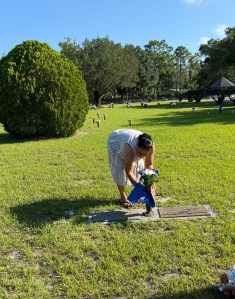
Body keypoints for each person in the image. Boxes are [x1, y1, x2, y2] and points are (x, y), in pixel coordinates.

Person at [107, 128, 155, 208]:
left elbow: (149, 164)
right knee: (120, 169)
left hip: (129, 141)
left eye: (145, 155)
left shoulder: (151, 145)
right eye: (140, 153)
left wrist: (151, 181)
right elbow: (128, 171)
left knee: (139, 166)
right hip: (116, 141)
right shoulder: (129, 147)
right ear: (137, 146)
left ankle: (139, 196)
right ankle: (123, 197)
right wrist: (139, 188)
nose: (141, 156)